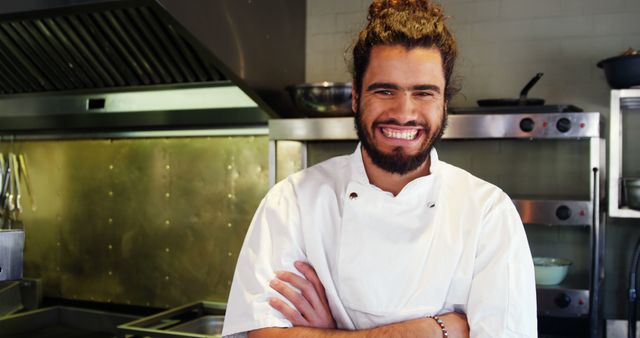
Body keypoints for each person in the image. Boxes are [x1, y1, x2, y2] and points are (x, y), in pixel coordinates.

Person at [221, 0, 537, 337]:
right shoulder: (292, 202)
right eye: (385, 90)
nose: (403, 112)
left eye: (424, 93)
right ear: (356, 97)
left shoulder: (487, 212)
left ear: (445, 104)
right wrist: (437, 330)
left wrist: (330, 332)